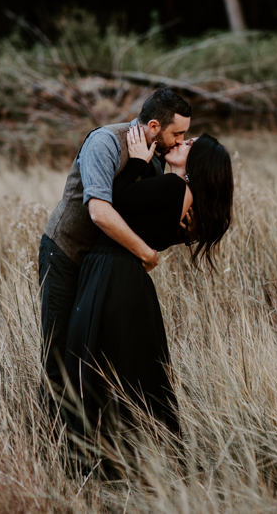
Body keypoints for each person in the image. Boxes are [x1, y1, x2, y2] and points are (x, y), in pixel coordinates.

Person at [63, 128, 234, 444]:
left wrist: (138, 164)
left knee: (95, 364)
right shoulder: (188, 202)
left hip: (113, 273)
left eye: (191, 143)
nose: (182, 141)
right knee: (129, 370)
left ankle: (95, 451)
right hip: (126, 277)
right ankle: (141, 450)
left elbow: (111, 203)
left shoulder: (173, 187)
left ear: (201, 161)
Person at [39, 89, 192, 416]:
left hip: (101, 267)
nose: (180, 141)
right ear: (154, 126)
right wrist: (147, 255)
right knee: (58, 353)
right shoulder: (105, 142)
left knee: (87, 354)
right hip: (66, 253)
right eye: (176, 133)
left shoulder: (155, 160)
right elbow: (100, 213)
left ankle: (95, 437)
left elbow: (140, 213)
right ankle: (52, 445)